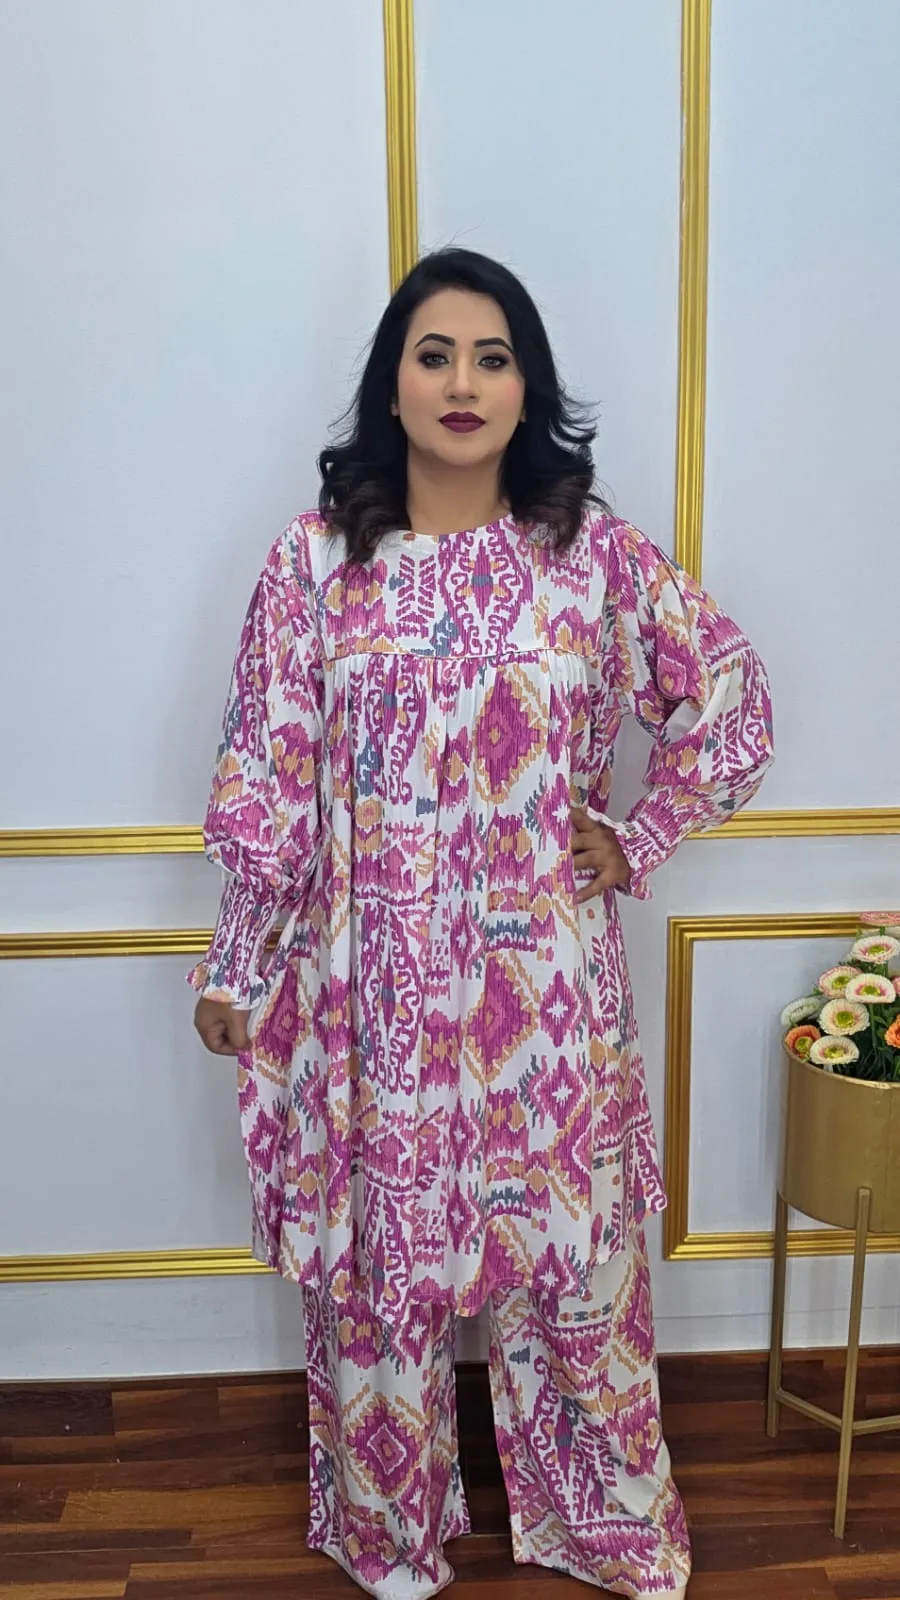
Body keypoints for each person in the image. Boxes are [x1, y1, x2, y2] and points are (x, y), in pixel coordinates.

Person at [189, 248, 773, 1600]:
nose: (463, 382)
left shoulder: (589, 557)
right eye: (435, 354)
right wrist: (235, 965)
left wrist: (639, 834)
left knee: (571, 1256)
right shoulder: (315, 564)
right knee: (380, 1262)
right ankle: (390, 1528)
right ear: (391, 384)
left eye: (493, 358)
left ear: (527, 391)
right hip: (371, 990)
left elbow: (731, 697)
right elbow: (268, 780)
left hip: (544, 990)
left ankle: (602, 1517)